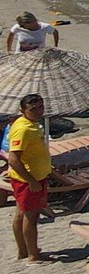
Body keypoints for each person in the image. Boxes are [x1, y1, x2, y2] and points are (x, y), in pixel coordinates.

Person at [4, 94, 51, 263]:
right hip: (29, 179)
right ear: (23, 110)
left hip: (32, 177)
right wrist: (31, 181)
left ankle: (24, 250)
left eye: (40, 107)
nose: (38, 112)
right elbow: (13, 158)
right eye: (33, 109)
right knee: (31, 217)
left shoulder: (31, 124)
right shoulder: (23, 129)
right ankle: (33, 255)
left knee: (21, 213)